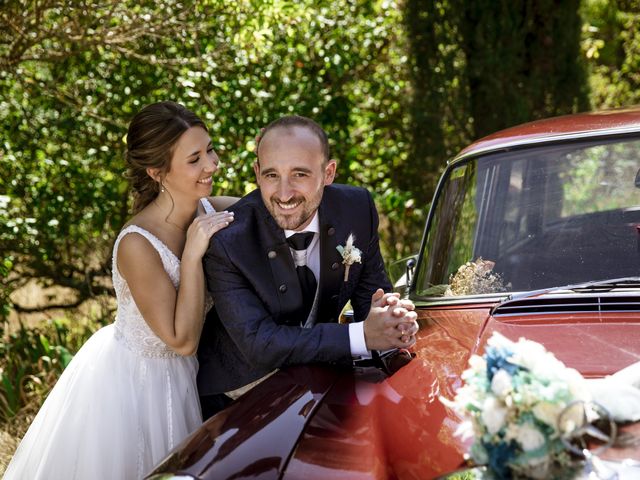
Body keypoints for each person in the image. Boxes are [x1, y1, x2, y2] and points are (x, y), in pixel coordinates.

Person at [4, 101, 236, 480]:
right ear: (157, 171)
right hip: (134, 388)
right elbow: (180, 340)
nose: (212, 164)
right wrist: (192, 256)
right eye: (195, 159)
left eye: (209, 149)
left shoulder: (213, 211)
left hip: (194, 379)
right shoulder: (137, 244)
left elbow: (275, 214)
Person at [197, 115, 418, 419]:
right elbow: (260, 344)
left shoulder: (356, 209)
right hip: (239, 397)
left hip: (321, 381)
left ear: (328, 172)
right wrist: (362, 336)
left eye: (299, 174)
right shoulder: (229, 243)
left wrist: (394, 323)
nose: (284, 194)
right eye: (272, 175)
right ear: (257, 173)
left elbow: (372, 297)